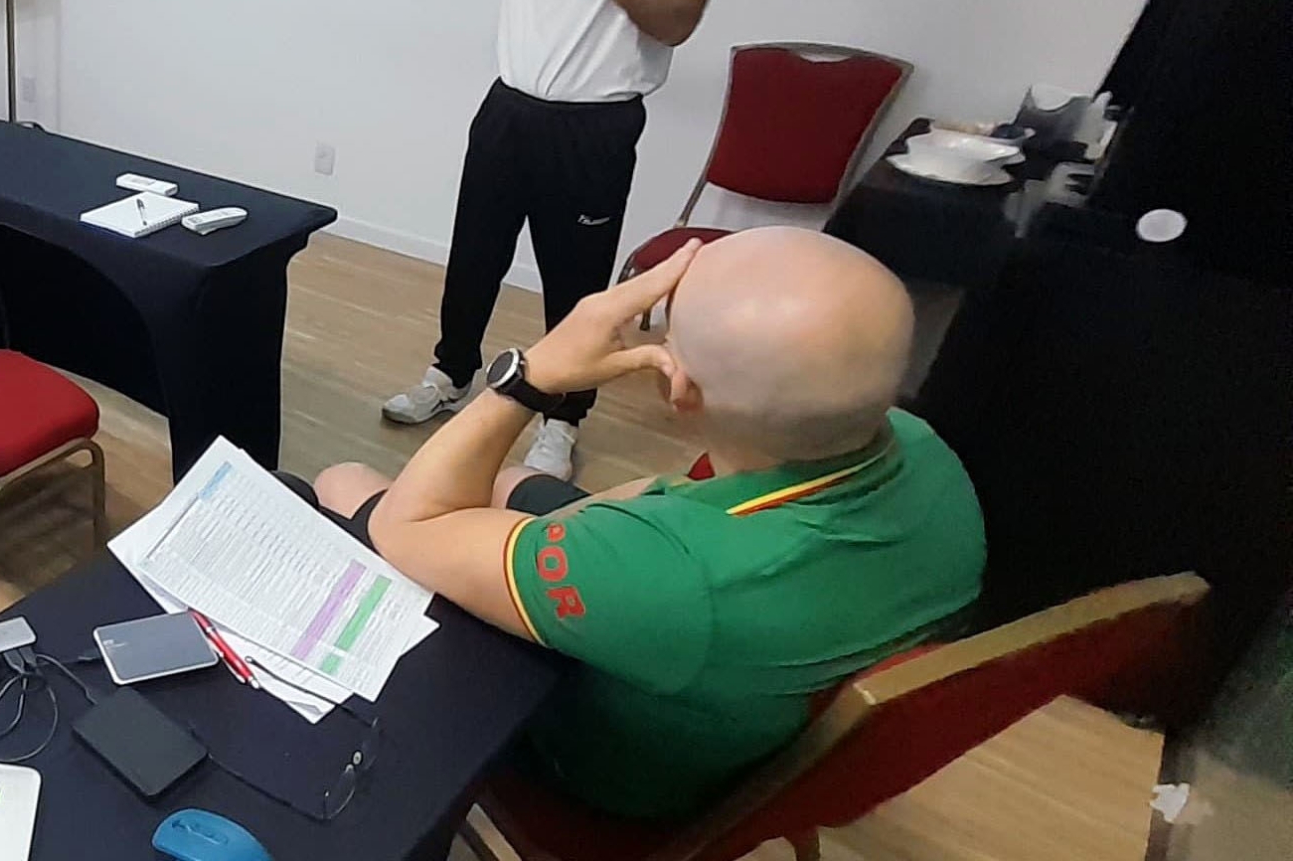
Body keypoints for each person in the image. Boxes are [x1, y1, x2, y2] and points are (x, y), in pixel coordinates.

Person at [295, 228, 984, 821]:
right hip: (738, 687)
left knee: (343, 483)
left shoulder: (674, 575)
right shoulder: (921, 448)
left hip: (602, 776)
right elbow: (664, 503)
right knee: (506, 483)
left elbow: (405, 528)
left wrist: (533, 374)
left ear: (675, 388)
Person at [296, 0, 731, 479]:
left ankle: (562, 417)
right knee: (474, 256)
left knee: (574, 285)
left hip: (594, 127)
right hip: (509, 110)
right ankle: (452, 372)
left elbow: (678, 16)